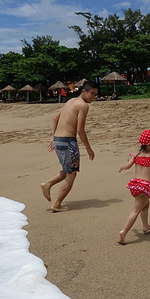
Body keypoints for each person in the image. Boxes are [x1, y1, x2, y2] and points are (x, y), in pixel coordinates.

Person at [40, 80, 99, 212]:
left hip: (59, 140)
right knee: (71, 174)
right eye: (92, 94)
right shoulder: (83, 106)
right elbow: (80, 129)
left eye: (95, 94)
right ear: (84, 91)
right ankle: (56, 204)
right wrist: (89, 148)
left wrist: (53, 138)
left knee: (68, 170)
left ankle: (47, 184)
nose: (93, 97)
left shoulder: (70, 101)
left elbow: (55, 119)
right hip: (68, 142)